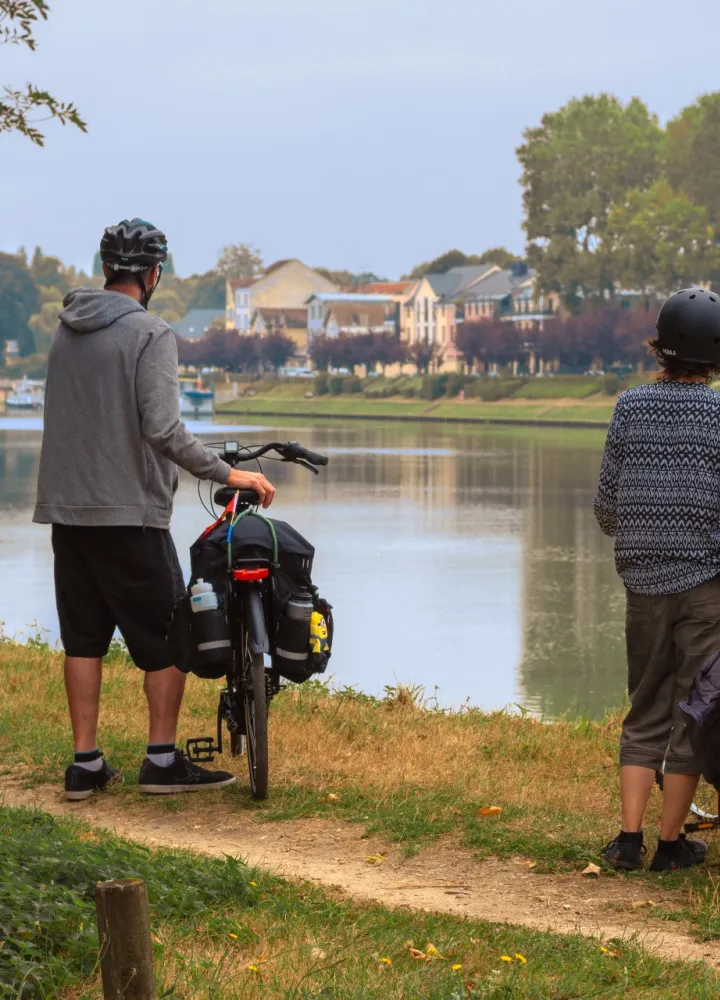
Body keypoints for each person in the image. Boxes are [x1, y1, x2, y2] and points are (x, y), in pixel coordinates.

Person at [33, 218, 276, 801]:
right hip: (129, 516)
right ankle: (162, 761)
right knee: (171, 634)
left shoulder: (66, 331)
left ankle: (84, 765)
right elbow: (165, 430)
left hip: (67, 514)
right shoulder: (151, 333)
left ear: (105, 270)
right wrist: (227, 472)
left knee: (83, 640)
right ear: (153, 273)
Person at [594, 287, 720, 872]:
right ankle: (671, 846)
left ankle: (626, 841)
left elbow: (606, 507)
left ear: (662, 346)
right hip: (708, 587)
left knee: (644, 706)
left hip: (642, 582)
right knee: (695, 709)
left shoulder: (629, 406)